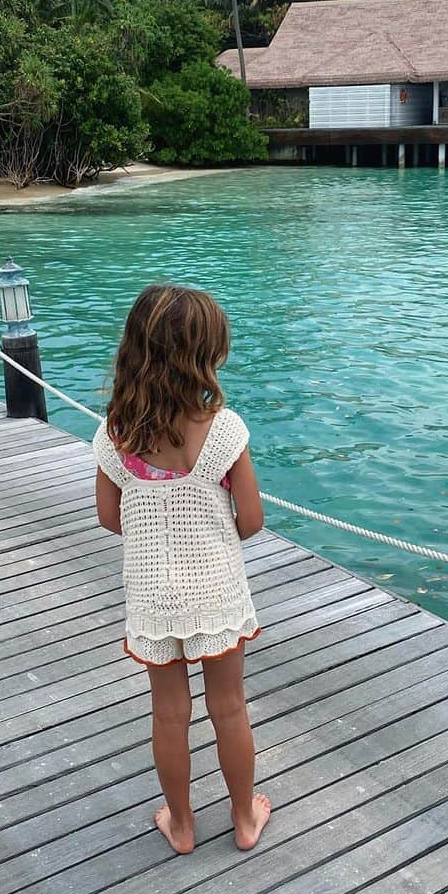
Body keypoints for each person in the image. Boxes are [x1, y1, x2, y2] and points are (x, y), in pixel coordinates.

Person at [94, 284, 270, 856]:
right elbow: (251, 520)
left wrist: (153, 527)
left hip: (151, 594)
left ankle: (181, 822)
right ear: (206, 356)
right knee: (230, 706)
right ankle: (244, 818)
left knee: (169, 714)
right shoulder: (224, 429)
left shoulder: (116, 433)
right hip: (216, 589)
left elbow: (108, 517)